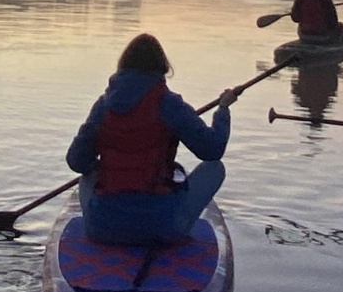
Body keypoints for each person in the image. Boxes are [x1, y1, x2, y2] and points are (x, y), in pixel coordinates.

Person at [66, 33, 238, 245]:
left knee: (88, 172)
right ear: (161, 68)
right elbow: (212, 150)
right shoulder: (169, 103)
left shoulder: (103, 105)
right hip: (162, 229)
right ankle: (169, 223)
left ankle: (108, 217)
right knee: (215, 168)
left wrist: (103, 166)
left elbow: (76, 161)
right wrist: (222, 110)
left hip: (103, 229)